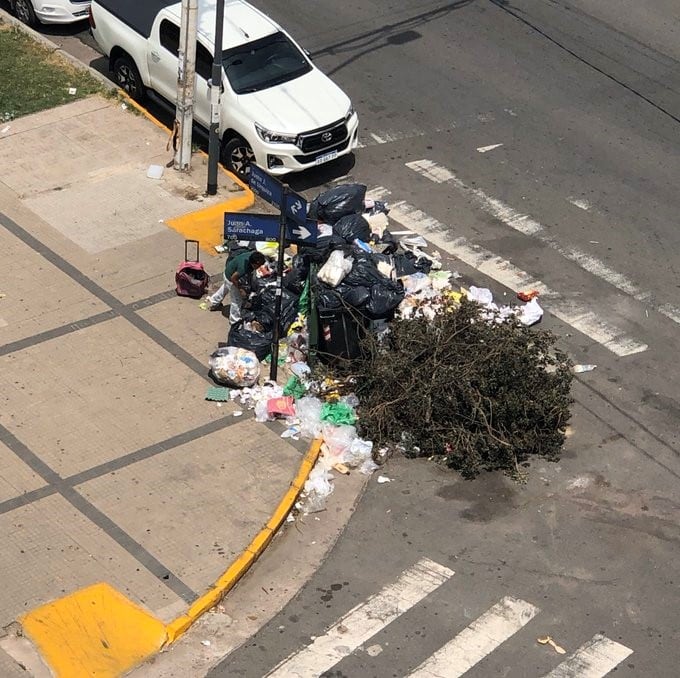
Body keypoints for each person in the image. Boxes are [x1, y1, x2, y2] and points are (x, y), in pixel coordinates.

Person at [207, 250, 266, 323]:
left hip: (228, 272)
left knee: (225, 288)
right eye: (258, 265)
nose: (259, 267)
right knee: (236, 300)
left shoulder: (252, 255)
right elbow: (233, 278)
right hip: (230, 278)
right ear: (253, 264)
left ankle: (214, 302)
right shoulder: (243, 268)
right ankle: (235, 321)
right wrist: (241, 290)